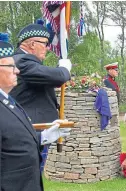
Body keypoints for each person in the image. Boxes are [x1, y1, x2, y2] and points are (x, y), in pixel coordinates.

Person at [0, 34, 71, 191]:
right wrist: (64, 69)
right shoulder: (25, 61)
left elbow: (13, 139)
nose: (17, 71)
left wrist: (44, 137)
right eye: (11, 66)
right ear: (32, 44)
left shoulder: (9, 102)